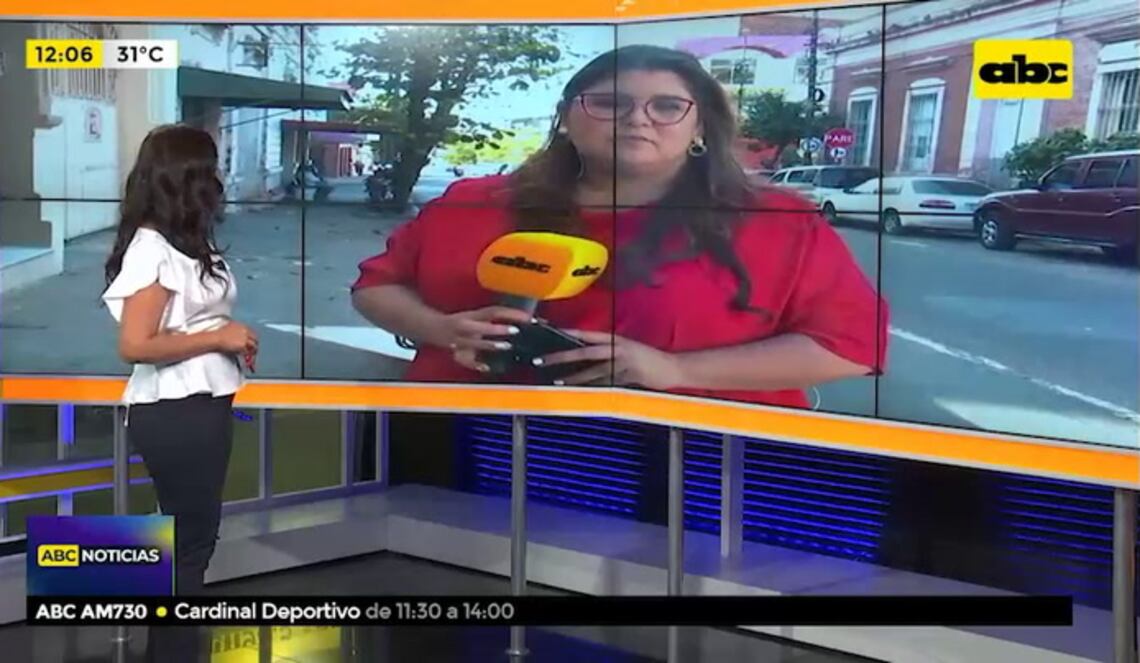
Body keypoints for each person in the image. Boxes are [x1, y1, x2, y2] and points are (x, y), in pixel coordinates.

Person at [351, 45, 888, 408]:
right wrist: (442, 330)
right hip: (466, 445)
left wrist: (675, 371)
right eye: (610, 103)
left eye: (667, 106)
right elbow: (376, 287)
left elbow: (849, 347)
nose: (637, 118)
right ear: (567, 117)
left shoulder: (777, 221)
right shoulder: (473, 202)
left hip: (691, 467)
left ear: (700, 126)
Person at [102, 124, 258, 661]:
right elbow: (135, 344)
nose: (219, 178)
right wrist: (218, 338)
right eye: (211, 168)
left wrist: (227, 340)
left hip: (201, 404)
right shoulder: (152, 250)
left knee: (192, 542)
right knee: (188, 545)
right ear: (187, 176)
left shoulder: (185, 243)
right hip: (174, 409)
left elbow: (190, 324)